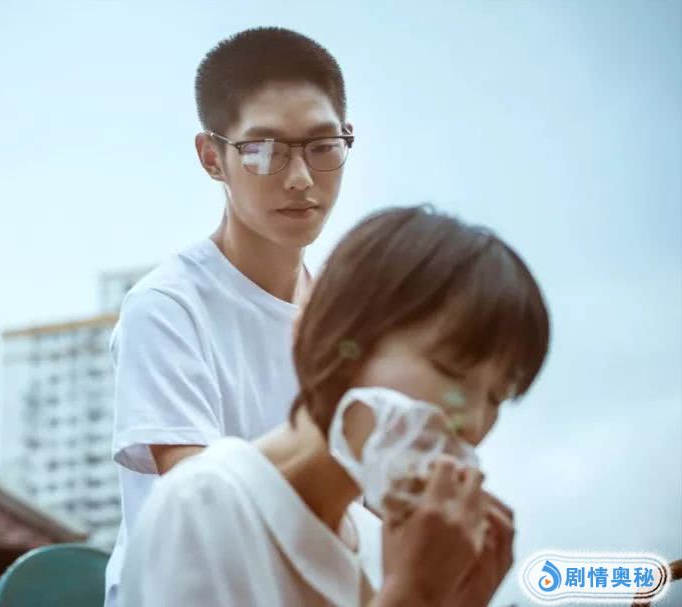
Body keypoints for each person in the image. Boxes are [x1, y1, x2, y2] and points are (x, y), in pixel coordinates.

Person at [119, 205, 551, 607]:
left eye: (497, 398)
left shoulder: (386, 549)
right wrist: (414, 594)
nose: (473, 423)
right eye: (452, 371)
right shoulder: (206, 504)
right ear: (346, 338)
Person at [105, 26, 356, 606]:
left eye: (322, 146)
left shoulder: (349, 321)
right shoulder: (167, 308)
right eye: (264, 150)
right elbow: (204, 513)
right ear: (211, 157)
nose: (300, 177)